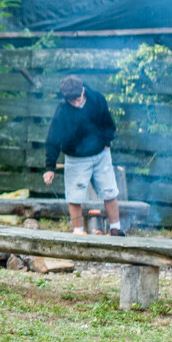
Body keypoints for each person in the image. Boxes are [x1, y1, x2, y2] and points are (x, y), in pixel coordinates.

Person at [42, 75, 124, 236]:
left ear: (83, 91)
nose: (76, 103)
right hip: (75, 158)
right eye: (71, 101)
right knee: (75, 196)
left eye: (77, 99)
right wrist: (49, 167)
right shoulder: (63, 110)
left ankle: (116, 228)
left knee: (109, 192)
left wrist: (107, 141)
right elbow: (53, 139)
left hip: (101, 154)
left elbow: (108, 123)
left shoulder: (97, 99)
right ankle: (78, 232)